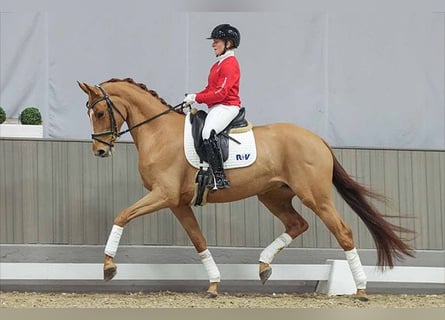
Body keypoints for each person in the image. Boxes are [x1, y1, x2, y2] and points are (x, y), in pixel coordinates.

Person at [183, 24, 242, 189]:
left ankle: (220, 177)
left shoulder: (230, 64)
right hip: (217, 107)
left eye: (216, 41)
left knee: (208, 132)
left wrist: (197, 97)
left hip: (227, 106)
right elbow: (210, 90)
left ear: (228, 44)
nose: (213, 44)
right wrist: (193, 97)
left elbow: (221, 93)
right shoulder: (217, 65)